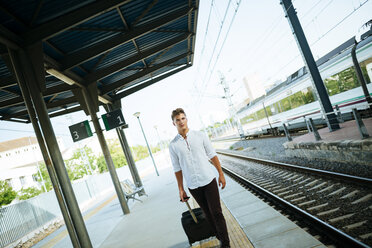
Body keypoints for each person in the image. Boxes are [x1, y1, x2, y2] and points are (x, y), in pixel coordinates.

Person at [169, 108, 230, 248]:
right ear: (173, 123)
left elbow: (212, 155)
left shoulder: (200, 135)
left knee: (216, 212)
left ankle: (226, 244)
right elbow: (177, 168)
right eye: (177, 120)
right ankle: (220, 237)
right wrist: (181, 189)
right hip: (193, 185)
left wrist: (220, 174)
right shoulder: (173, 145)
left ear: (187, 119)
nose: (181, 122)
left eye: (183, 118)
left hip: (208, 179)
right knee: (208, 215)